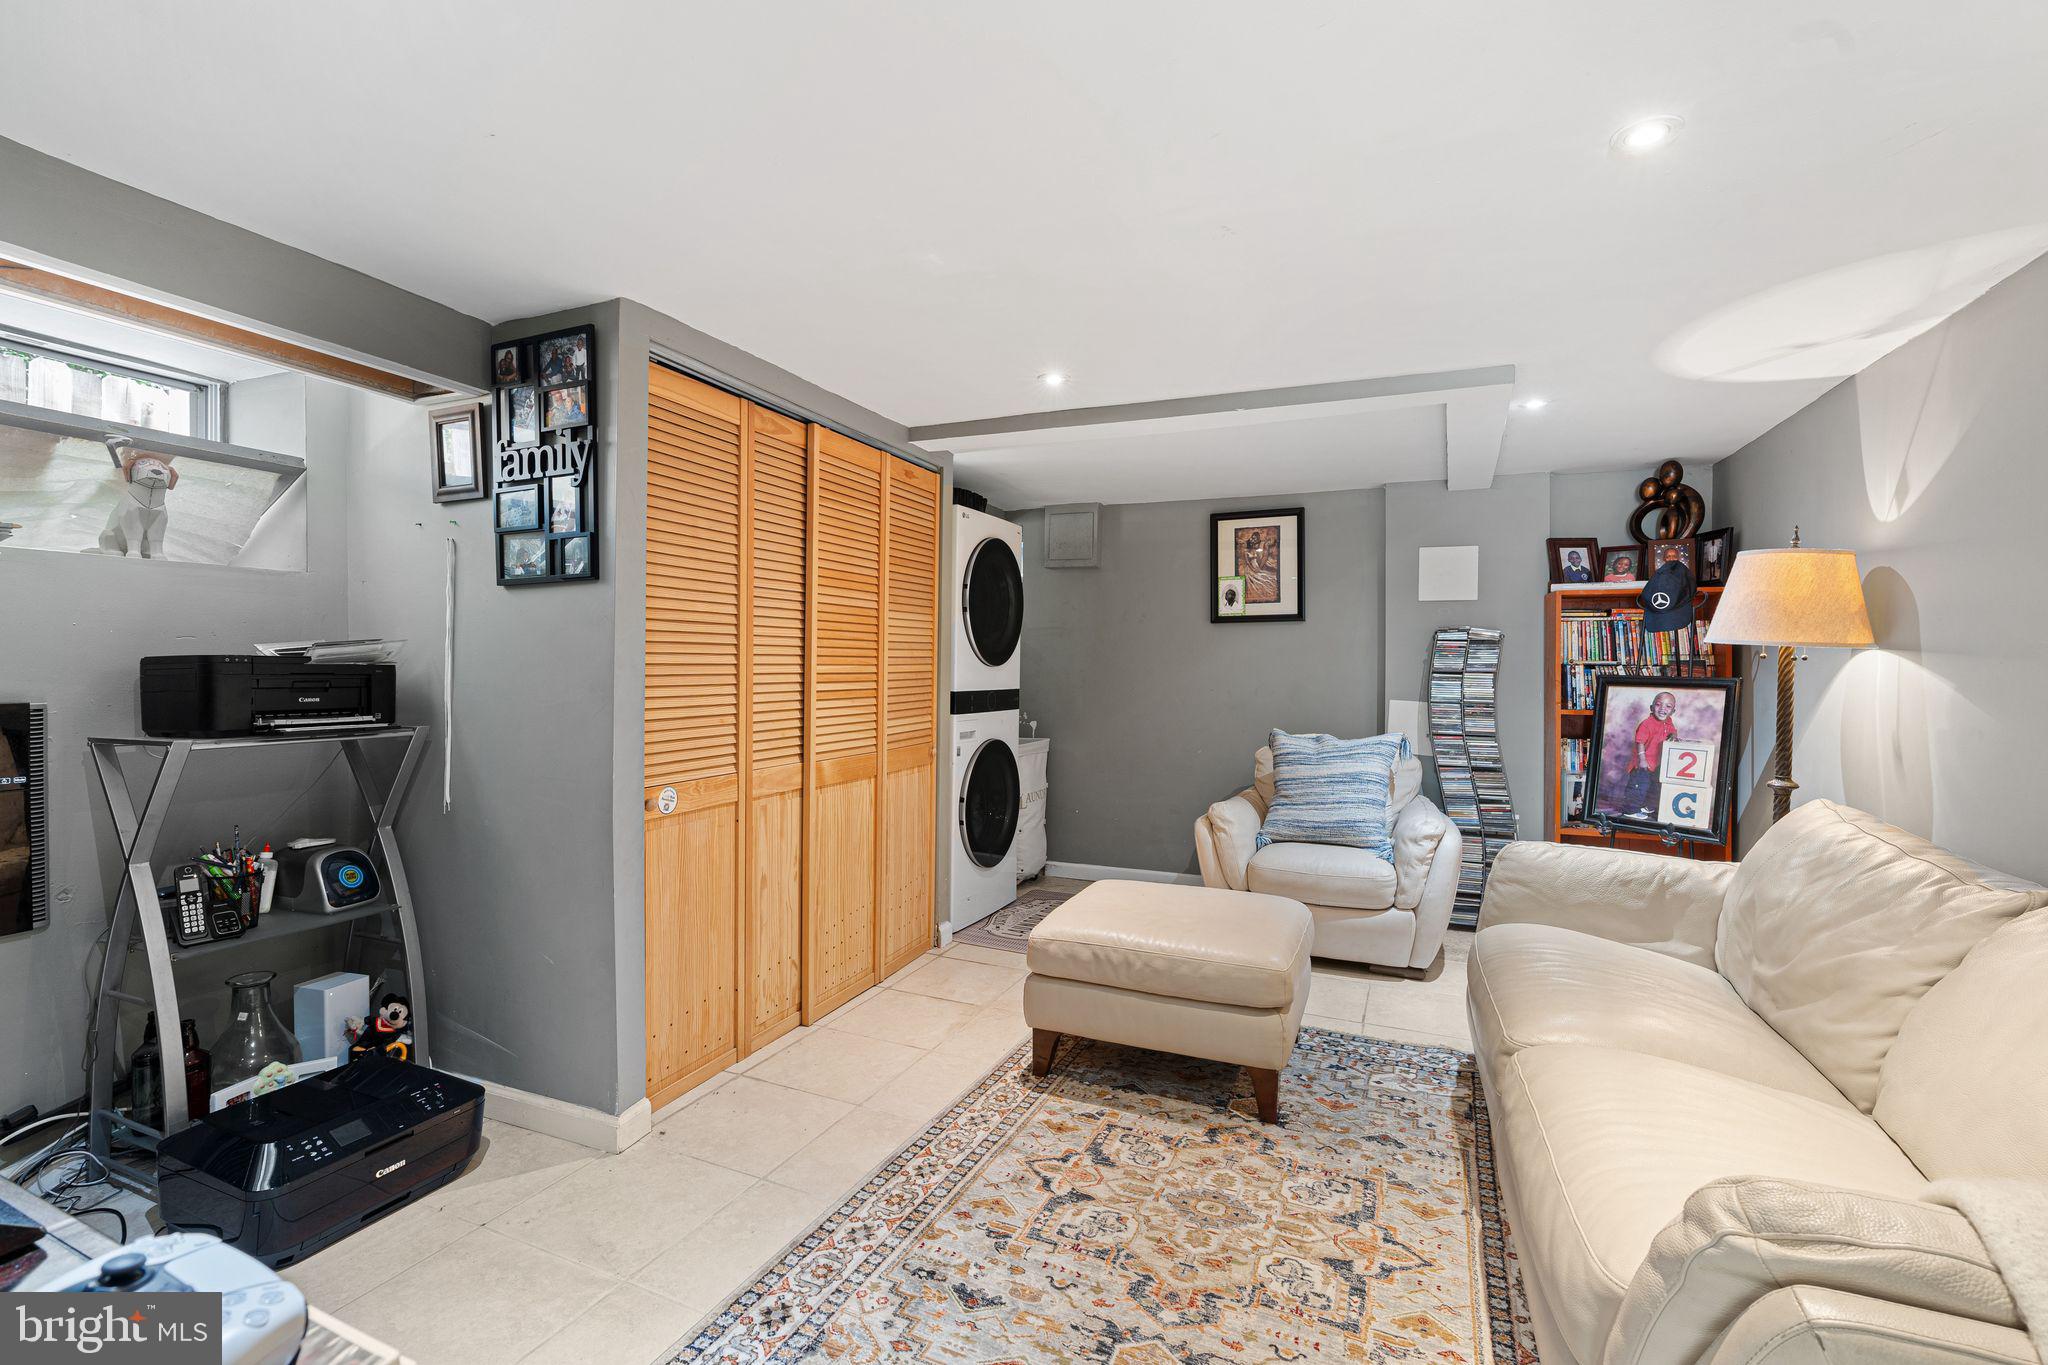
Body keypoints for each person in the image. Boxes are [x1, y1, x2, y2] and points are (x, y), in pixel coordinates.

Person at [1622, 691, 1677, 816]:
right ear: (1652, 708)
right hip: (1643, 764)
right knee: (1638, 786)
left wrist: (1673, 737)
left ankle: (1647, 807)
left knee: (1654, 786)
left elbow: (1673, 732)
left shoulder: (1668, 722)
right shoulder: (1647, 724)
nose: (1662, 708)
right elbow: (1640, 742)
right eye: (1658, 704)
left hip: (1656, 763)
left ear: (1673, 711)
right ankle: (1630, 810)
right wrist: (1642, 760)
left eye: (1668, 706)